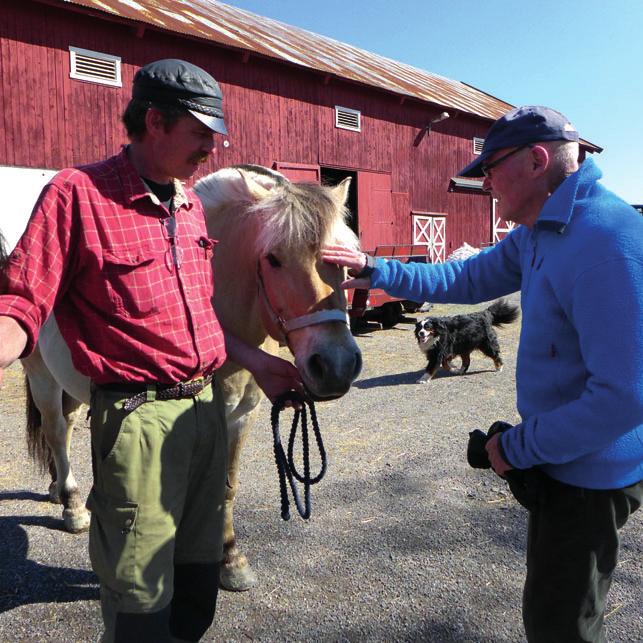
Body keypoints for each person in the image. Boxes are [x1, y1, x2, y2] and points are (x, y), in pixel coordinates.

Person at [0, 59, 302, 642]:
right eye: (200, 133)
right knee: (140, 604)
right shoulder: (76, 194)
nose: (212, 149)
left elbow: (196, 321)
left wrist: (260, 362)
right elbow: (19, 304)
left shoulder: (188, 206)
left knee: (195, 590)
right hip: (140, 421)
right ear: (155, 121)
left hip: (206, 412)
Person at [323, 106, 643, 642]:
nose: (486, 183)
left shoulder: (606, 240)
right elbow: (468, 276)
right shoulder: (544, 227)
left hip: (590, 476)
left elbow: (625, 395)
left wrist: (518, 448)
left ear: (538, 160)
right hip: (562, 460)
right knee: (551, 613)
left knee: (561, 626)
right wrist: (375, 271)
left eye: (492, 168)